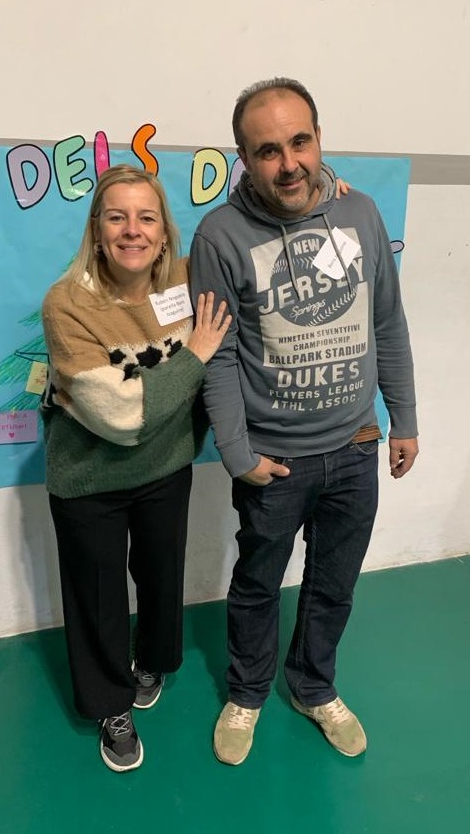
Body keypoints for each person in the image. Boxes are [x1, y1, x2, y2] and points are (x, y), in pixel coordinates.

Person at [189, 78, 418, 766]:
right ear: (244, 158)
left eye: (299, 141)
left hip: (356, 445)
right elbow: (217, 355)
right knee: (258, 583)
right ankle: (247, 691)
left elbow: (386, 322)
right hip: (274, 460)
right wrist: (236, 453)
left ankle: (313, 686)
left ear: (319, 138)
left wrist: (403, 418)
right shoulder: (220, 236)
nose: (288, 163)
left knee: (333, 583)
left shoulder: (361, 214)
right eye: (268, 150)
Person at [41, 164, 231, 772]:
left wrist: (325, 194)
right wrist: (196, 355)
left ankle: (152, 663)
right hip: (90, 478)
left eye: (146, 217)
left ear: (164, 230)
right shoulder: (67, 305)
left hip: (167, 468)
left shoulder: (187, 278)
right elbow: (122, 417)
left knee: (161, 574)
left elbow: (255, 243)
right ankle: (110, 704)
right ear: (96, 230)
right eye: (117, 217)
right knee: (98, 596)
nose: (133, 230)